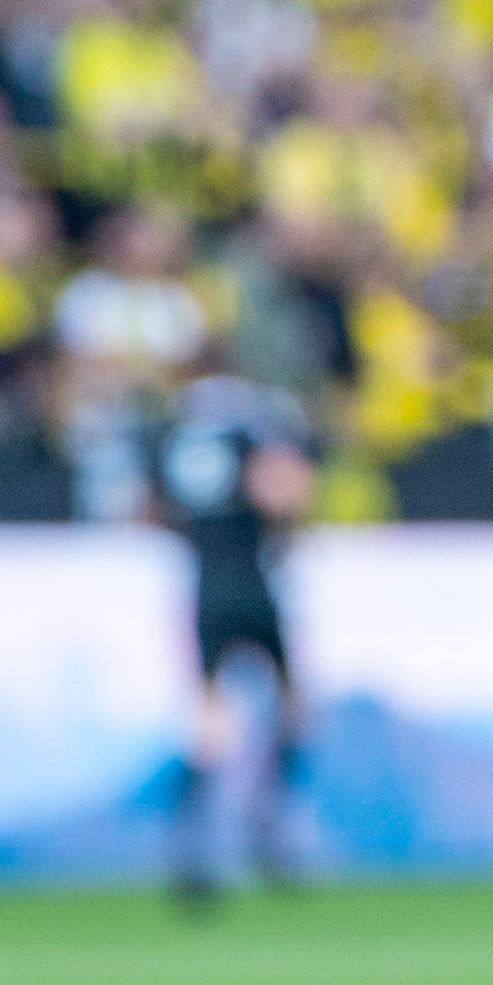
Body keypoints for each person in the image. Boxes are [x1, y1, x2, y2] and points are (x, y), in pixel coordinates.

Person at [153, 369, 313, 905]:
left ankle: (190, 848)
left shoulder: (171, 445)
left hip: (206, 590)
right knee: (291, 708)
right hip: (253, 587)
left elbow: (151, 510)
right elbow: (284, 493)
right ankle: (265, 824)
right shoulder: (247, 441)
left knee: (208, 725)